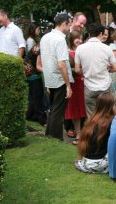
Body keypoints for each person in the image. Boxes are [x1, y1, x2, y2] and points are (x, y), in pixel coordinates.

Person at [40, 12, 74, 140]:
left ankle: (49, 135)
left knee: (53, 109)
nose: (70, 28)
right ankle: (56, 138)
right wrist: (68, 85)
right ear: (64, 24)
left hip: (49, 78)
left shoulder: (45, 37)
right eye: (69, 25)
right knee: (58, 112)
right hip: (59, 79)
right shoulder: (60, 39)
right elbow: (61, 64)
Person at [75, 24, 116, 117]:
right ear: (101, 33)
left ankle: (93, 131)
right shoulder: (107, 48)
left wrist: (86, 71)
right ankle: (109, 131)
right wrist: (108, 69)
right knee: (107, 113)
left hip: (89, 86)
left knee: (91, 116)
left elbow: (77, 70)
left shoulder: (80, 48)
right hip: (105, 86)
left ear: (89, 34)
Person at [75, 92, 116, 173]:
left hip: (87, 161)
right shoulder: (111, 122)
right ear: (111, 107)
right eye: (115, 104)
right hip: (99, 163)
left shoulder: (92, 119)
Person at [65, 30, 87, 145]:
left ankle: (86, 133)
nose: (79, 40)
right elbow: (67, 69)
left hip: (86, 83)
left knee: (87, 109)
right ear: (71, 39)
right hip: (74, 84)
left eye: (80, 38)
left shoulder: (84, 50)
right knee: (76, 111)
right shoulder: (67, 53)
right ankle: (78, 134)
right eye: (77, 38)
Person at [24, 23, 47, 125]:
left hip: (29, 73)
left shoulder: (37, 45)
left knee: (33, 96)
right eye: (38, 29)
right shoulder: (38, 47)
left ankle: (30, 115)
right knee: (37, 96)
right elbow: (37, 64)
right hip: (33, 74)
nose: (39, 31)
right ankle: (41, 118)